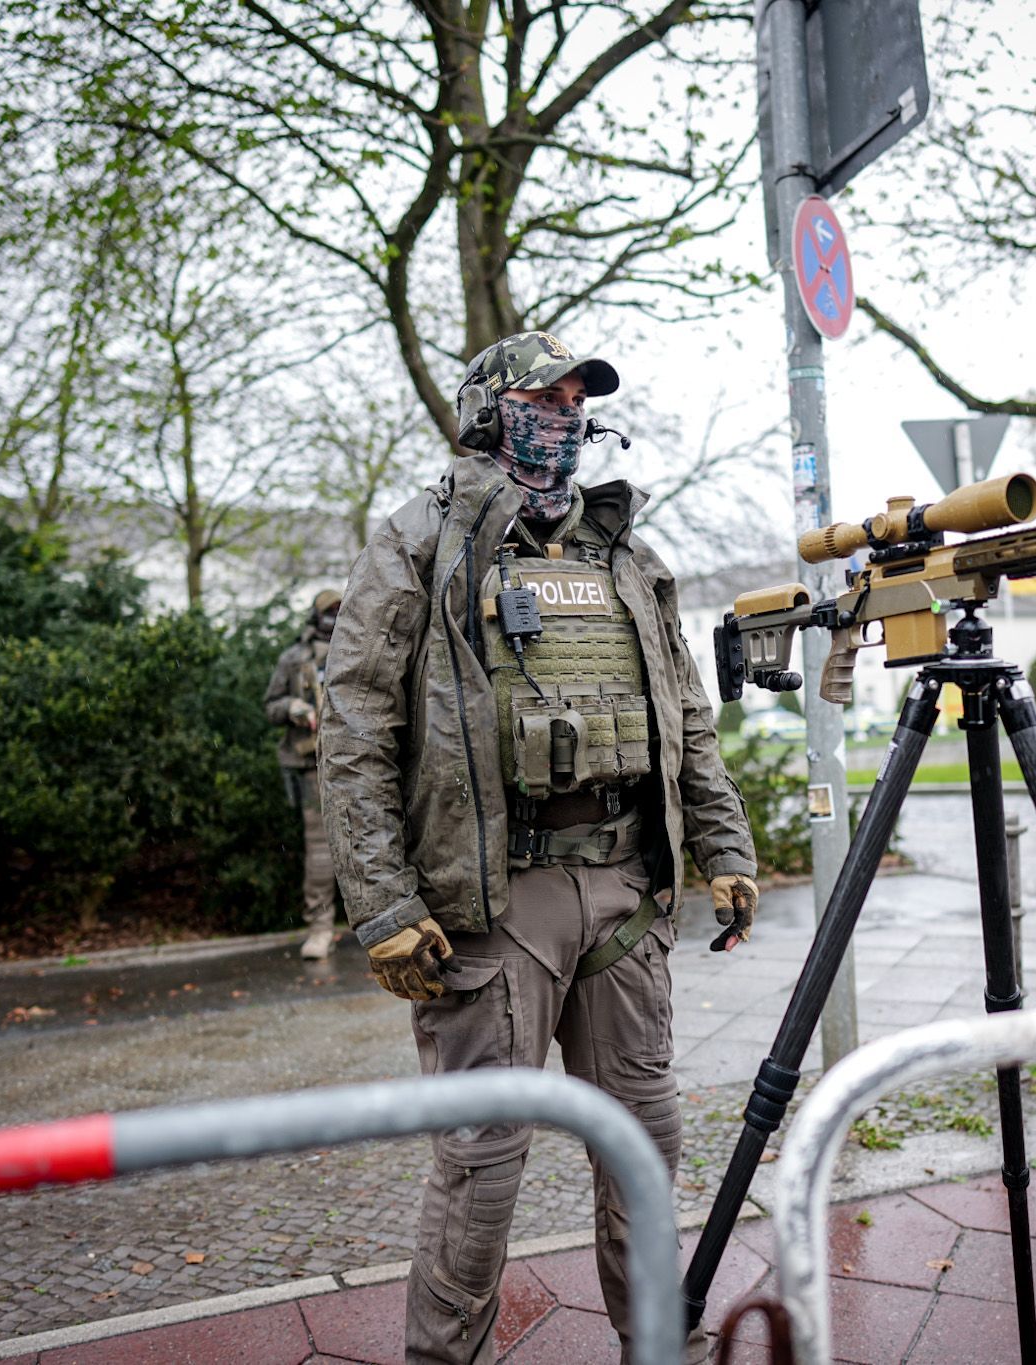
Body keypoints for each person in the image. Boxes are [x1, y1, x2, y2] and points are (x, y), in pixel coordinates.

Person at [318, 331, 758, 1364]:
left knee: (644, 1138)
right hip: (490, 901)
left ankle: (658, 1341)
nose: (561, 410)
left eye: (575, 397)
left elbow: (683, 713)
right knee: (483, 1157)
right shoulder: (419, 540)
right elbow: (354, 722)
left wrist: (721, 841)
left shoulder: (625, 556)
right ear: (485, 408)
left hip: (622, 889)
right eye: (539, 394)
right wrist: (382, 904)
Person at [265, 588, 342, 959]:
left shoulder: (360, 648)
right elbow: (270, 705)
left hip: (361, 762)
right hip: (312, 763)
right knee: (320, 850)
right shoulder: (294, 659)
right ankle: (321, 928)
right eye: (329, 611)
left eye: (341, 610)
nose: (335, 617)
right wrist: (294, 705)